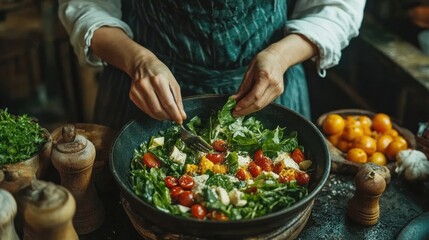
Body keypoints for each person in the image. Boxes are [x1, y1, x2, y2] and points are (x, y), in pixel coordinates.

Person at [58, 0, 366, 130]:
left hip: (272, 88)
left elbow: (338, 6)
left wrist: (281, 56)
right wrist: (137, 60)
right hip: (142, 90)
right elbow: (86, 4)